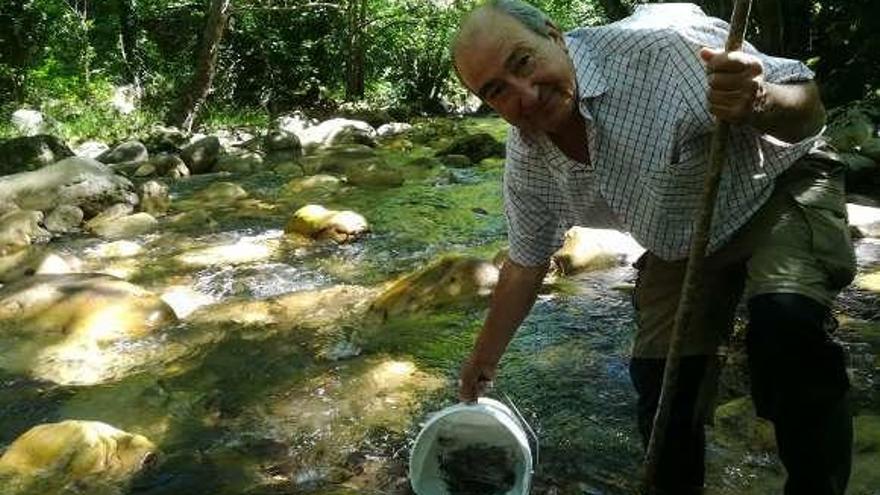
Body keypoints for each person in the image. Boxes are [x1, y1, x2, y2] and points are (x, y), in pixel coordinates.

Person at [452, 1, 856, 494]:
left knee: (785, 323)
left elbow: (810, 107)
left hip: (775, 183)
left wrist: (758, 102)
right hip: (684, 234)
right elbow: (525, 262)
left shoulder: (664, 49)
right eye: (496, 90)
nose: (525, 94)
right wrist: (483, 360)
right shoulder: (528, 160)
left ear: (554, 36)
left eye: (522, 61)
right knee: (660, 384)